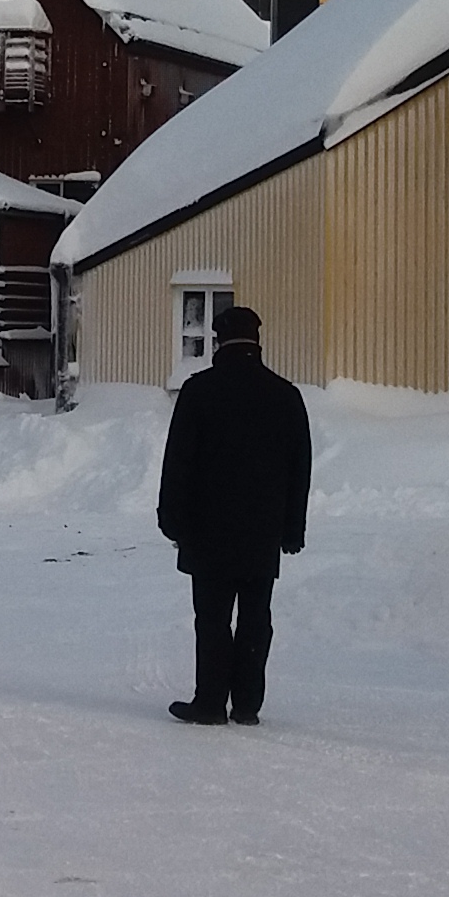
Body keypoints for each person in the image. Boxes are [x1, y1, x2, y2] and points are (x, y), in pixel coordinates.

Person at [155, 304, 310, 725]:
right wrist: (292, 528)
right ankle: (247, 704)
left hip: (208, 529)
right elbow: (300, 468)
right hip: (263, 529)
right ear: (257, 342)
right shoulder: (284, 395)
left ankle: (209, 702)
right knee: (256, 618)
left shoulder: (199, 392)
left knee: (212, 618)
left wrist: (171, 518)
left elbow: (178, 461)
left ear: (218, 341)